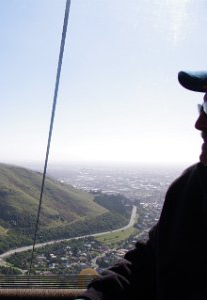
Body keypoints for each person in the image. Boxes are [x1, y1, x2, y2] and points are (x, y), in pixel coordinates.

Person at [74, 70, 207, 300]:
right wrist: (96, 295)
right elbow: (148, 259)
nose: (199, 123)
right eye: (203, 106)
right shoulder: (189, 187)